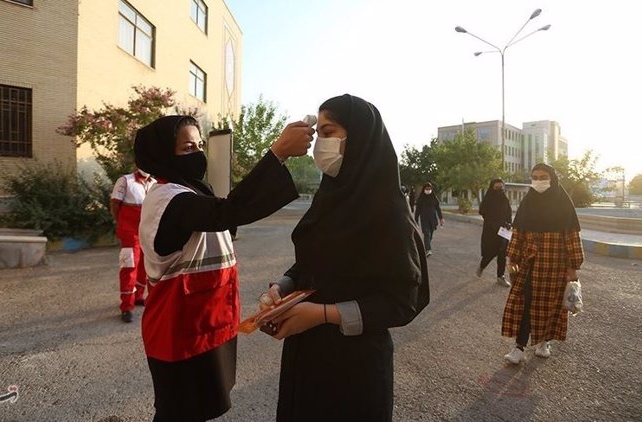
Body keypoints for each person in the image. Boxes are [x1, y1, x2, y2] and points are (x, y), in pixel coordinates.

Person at [259, 94, 430, 422]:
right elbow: (312, 261)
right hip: (305, 354)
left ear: (361, 137)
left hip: (355, 368)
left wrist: (324, 314)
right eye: (317, 134)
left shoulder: (389, 211)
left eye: (329, 132)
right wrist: (282, 288)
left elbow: (402, 301)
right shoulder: (330, 197)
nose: (318, 144)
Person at [133, 115, 314, 421]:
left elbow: (224, 217)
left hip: (207, 325)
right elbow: (231, 211)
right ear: (163, 154)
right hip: (179, 333)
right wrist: (278, 152)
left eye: (200, 144)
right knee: (177, 412)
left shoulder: (192, 193)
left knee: (198, 409)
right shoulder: (168, 199)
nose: (199, 153)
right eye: (188, 147)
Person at [501, 163, 584, 364]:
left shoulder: (563, 204)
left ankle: (544, 342)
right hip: (530, 266)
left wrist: (573, 266)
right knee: (525, 304)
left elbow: (572, 236)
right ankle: (519, 347)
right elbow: (518, 234)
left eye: (543, 176)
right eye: (535, 177)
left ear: (552, 178)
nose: (539, 180)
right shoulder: (527, 203)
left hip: (556, 267)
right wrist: (512, 262)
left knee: (552, 307)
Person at [110, 167, 155, 322]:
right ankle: (126, 306)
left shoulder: (155, 183)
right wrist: (122, 223)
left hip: (147, 231)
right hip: (129, 232)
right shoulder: (125, 181)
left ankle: (138, 296)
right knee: (129, 266)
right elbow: (115, 205)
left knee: (145, 266)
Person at [476, 178, 513, 287]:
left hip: (503, 231)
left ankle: (500, 277)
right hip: (490, 231)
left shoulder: (505, 199)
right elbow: (482, 212)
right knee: (491, 252)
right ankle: (482, 266)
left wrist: (509, 223)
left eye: (501, 188)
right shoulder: (488, 200)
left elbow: (509, 213)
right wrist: (494, 223)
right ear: (492, 188)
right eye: (496, 188)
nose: (499, 190)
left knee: (502, 253)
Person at [415, 182, 444, 256]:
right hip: (424, 219)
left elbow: (438, 208)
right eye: (426, 189)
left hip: (433, 219)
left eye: (429, 189)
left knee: (430, 235)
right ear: (424, 189)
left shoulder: (434, 198)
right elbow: (417, 210)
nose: (428, 190)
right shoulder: (421, 199)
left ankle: (427, 245)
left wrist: (441, 218)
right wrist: (416, 220)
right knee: (426, 233)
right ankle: (428, 250)